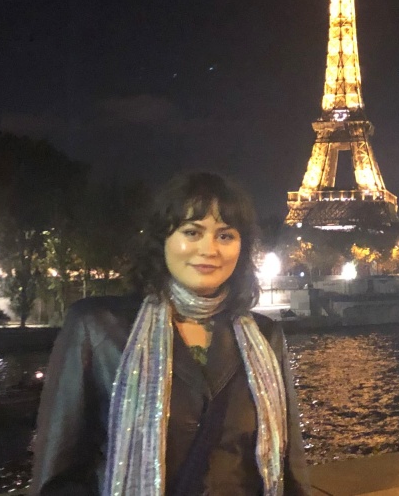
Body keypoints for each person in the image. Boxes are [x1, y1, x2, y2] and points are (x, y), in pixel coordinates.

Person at [31, 172, 309, 495]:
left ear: (242, 248)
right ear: (162, 240)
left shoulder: (265, 335)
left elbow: (290, 469)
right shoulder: (95, 327)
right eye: (192, 232)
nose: (209, 249)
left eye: (225, 236)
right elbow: (58, 477)